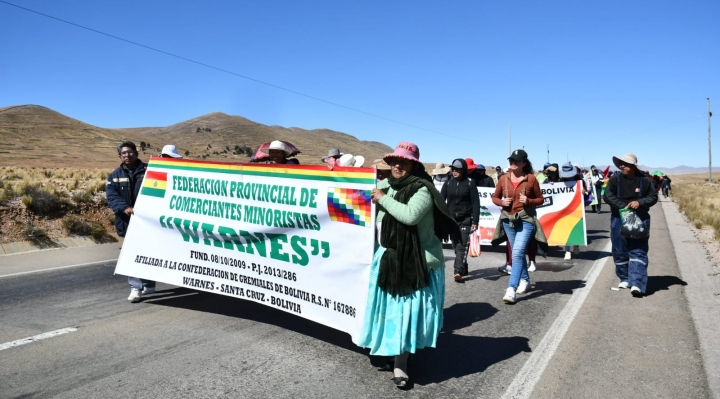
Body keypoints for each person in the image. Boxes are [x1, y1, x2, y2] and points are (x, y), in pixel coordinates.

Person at [360, 141, 460, 390]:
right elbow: (362, 191)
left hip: (417, 262)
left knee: (404, 313)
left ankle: (400, 363)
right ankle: (387, 347)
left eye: (404, 161)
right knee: (388, 311)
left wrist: (382, 199)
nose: (397, 165)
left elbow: (410, 216)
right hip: (388, 257)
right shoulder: (386, 185)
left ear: (414, 165)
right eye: (394, 161)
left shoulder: (422, 189)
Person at [491, 149, 545, 304]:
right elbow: (495, 197)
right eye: (511, 161)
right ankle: (525, 281)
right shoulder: (503, 178)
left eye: (516, 161)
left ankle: (511, 289)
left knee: (517, 253)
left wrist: (529, 201)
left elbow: (540, 199)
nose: (512, 163)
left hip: (526, 220)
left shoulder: (531, 179)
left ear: (524, 163)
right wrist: (501, 202)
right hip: (508, 221)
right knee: (518, 254)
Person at [106, 141, 154, 303]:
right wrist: (124, 207)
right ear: (120, 156)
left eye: (130, 152)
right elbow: (111, 197)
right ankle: (136, 288)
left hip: (150, 222)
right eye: (123, 153)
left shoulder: (150, 170)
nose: (127, 155)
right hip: (128, 221)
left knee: (149, 253)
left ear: (136, 153)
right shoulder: (114, 176)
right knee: (133, 255)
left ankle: (149, 283)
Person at [604, 153, 658, 297]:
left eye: (625, 164)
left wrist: (639, 202)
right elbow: (608, 196)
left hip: (640, 217)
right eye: (620, 163)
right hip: (619, 217)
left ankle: (637, 283)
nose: (622, 166)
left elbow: (653, 197)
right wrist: (623, 206)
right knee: (619, 248)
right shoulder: (615, 179)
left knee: (638, 249)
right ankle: (624, 278)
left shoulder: (645, 181)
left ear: (633, 166)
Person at [441, 158, 480, 282]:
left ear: (463, 170)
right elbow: (441, 201)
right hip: (451, 220)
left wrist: (475, 221)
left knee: (461, 246)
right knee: (455, 246)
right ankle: (463, 265)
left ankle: (458, 272)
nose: (455, 171)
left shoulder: (470, 184)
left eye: (458, 169)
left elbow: (475, 203)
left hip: (465, 220)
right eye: (453, 169)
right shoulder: (447, 184)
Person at [559, 162, 583, 260]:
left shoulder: (579, 180)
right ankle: (567, 251)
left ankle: (576, 245)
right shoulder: (560, 181)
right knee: (566, 229)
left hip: (577, 208)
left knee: (576, 228)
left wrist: (584, 192)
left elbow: (586, 195)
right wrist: (551, 184)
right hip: (565, 209)